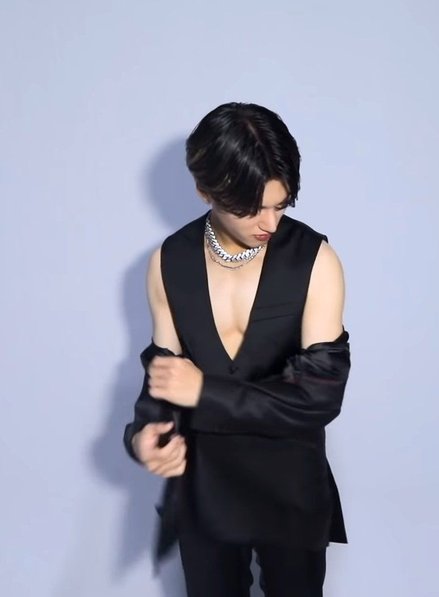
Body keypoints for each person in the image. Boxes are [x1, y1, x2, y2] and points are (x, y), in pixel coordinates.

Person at [123, 102, 351, 597]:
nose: (270, 222)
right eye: (252, 209)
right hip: (206, 491)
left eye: (281, 205)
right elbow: (162, 380)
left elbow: (319, 397)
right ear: (206, 191)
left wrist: (204, 392)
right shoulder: (168, 261)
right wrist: (143, 435)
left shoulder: (316, 261)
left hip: (290, 488)